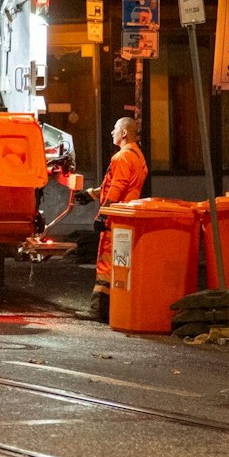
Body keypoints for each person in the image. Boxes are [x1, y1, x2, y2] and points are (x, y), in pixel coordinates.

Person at [80, 116, 147, 318]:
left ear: (124, 133)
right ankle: (114, 307)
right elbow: (119, 185)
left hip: (114, 218)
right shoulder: (138, 156)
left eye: (115, 128)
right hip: (126, 216)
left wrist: (103, 214)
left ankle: (98, 309)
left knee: (106, 262)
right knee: (120, 264)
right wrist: (91, 194)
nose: (112, 132)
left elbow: (117, 187)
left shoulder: (121, 157)